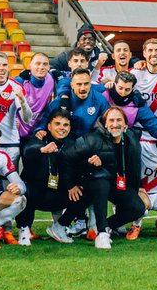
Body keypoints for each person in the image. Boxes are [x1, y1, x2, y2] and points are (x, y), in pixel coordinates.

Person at [47, 107, 145, 250]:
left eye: (119, 120)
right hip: (92, 181)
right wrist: (71, 184)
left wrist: (134, 192)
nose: (115, 124)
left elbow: (134, 170)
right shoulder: (92, 138)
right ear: (105, 123)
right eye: (111, 120)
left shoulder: (132, 141)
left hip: (117, 183)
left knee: (138, 207)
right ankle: (102, 233)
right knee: (100, 183)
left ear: (125, 124)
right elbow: (66, 156)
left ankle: (103, 226)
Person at [17, 109, 75, 246]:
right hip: (36, 194)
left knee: (86, 191)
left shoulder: (72, 144)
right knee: (23, 189)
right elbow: (27, 151)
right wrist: (42, 150)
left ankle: (60, 226)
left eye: (65, 125)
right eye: (57, 124)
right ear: (49, 126)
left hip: (59, 194)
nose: (61, 128)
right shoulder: (39, 138)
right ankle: (24, 229)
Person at [102, 70, 157, 137]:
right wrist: (103, 84)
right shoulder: (103, 92)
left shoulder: (137, 103)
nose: (123, 92)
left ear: (132, 88)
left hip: (122, 138)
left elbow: (153, 124)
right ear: (115, 84)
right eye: (120, 88)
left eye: (127, 89)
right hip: (100, 134)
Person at [15, 51, 55, 141]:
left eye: (45, 64)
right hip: (17, 132)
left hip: (36, 132)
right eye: (37, 63)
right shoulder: (19, 81)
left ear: (49, 67)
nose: (41, 67)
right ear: (30, 66)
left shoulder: (51, 79)